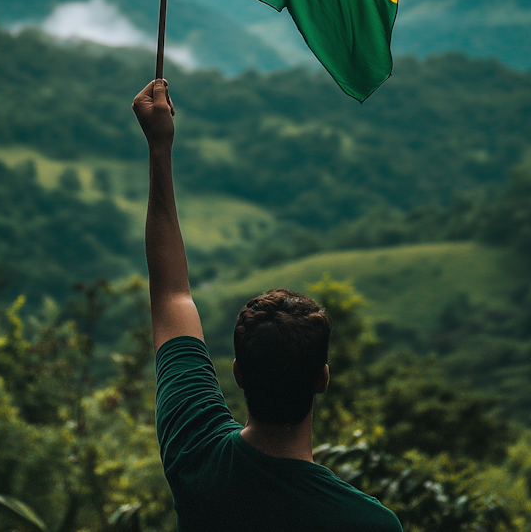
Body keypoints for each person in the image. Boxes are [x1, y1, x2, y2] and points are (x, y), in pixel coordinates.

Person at [133, 78, 403, 532]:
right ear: (322, 378)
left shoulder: (196, 453)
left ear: (238, 373)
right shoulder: (370, 524)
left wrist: (160, 147)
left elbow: (171, 295)